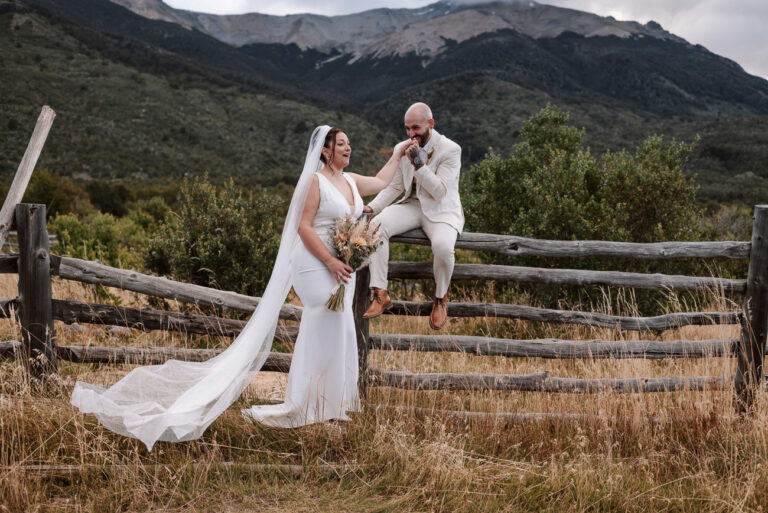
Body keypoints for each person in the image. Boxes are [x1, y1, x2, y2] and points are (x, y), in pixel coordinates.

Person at [70, 126, 405, 451]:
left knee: (341, 328)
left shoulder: (350, 180)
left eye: (349, 143)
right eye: (342, 143)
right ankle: (311, 406)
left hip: (341, 267)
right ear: (325, 151)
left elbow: (381, 180)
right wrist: (330, 262)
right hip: (314, 263)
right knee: (326, 325)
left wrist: (400, 151)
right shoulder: (315, 181)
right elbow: (303, 227)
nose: (348, 148)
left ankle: (330, 407)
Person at [362, 103, 464, 330]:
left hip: (442, 209)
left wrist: (418, 162)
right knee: (376, 225)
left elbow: (438, 192)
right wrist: (372, 208)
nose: (411, 134)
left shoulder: (451, 149)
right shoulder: (403, 146)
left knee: (443, 247)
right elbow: (395, 186)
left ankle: (440, 298)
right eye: (407, 128)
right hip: (412, 205)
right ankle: (380, 293)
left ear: (431, 124)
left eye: (415, 128)